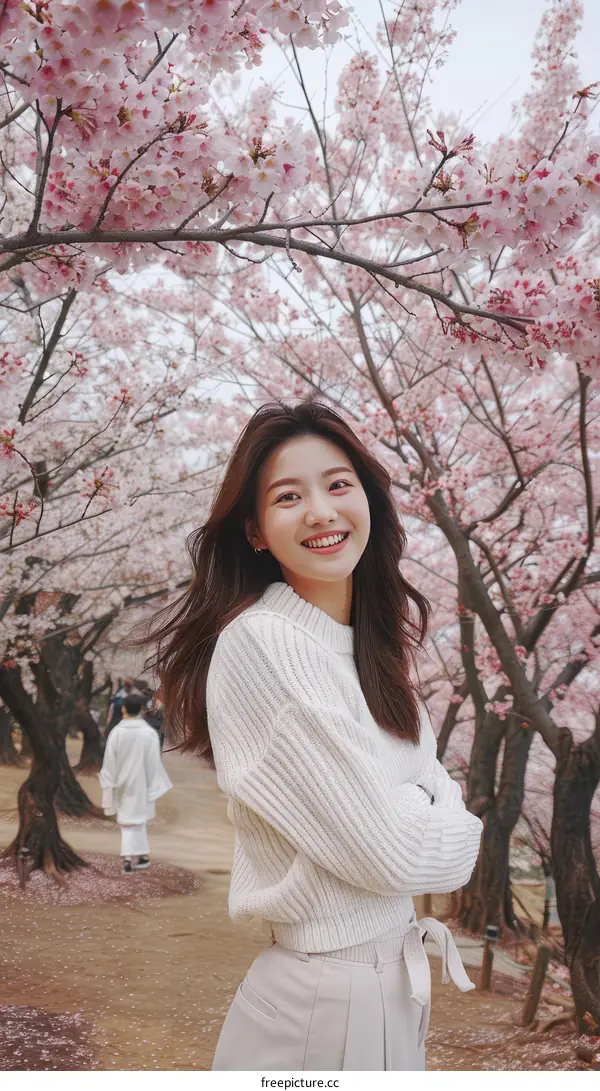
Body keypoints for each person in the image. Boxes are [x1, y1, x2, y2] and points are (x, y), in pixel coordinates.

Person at [148, 400, 483, 1071]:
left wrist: (412, 806)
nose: (321, 512)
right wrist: (436, 812)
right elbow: (393, 852)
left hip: (385, 984)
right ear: (254, 530)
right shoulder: (265, 643)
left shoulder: (369, 650)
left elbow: (418, 807)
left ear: (369, 500)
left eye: (337, 485)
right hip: (326, 1000)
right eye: (288, 496)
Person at [99, 692, 172, 875]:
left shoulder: (117, 732)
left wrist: (108, 780)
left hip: (121, 782)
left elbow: (109, 760)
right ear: (141, 709)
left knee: (128, 820)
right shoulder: (149, 734)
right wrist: (154, 783)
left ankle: (135, 857)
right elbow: (154, 761)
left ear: (123, 709)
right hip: (142, 782)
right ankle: (133, 857)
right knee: (138, 820)